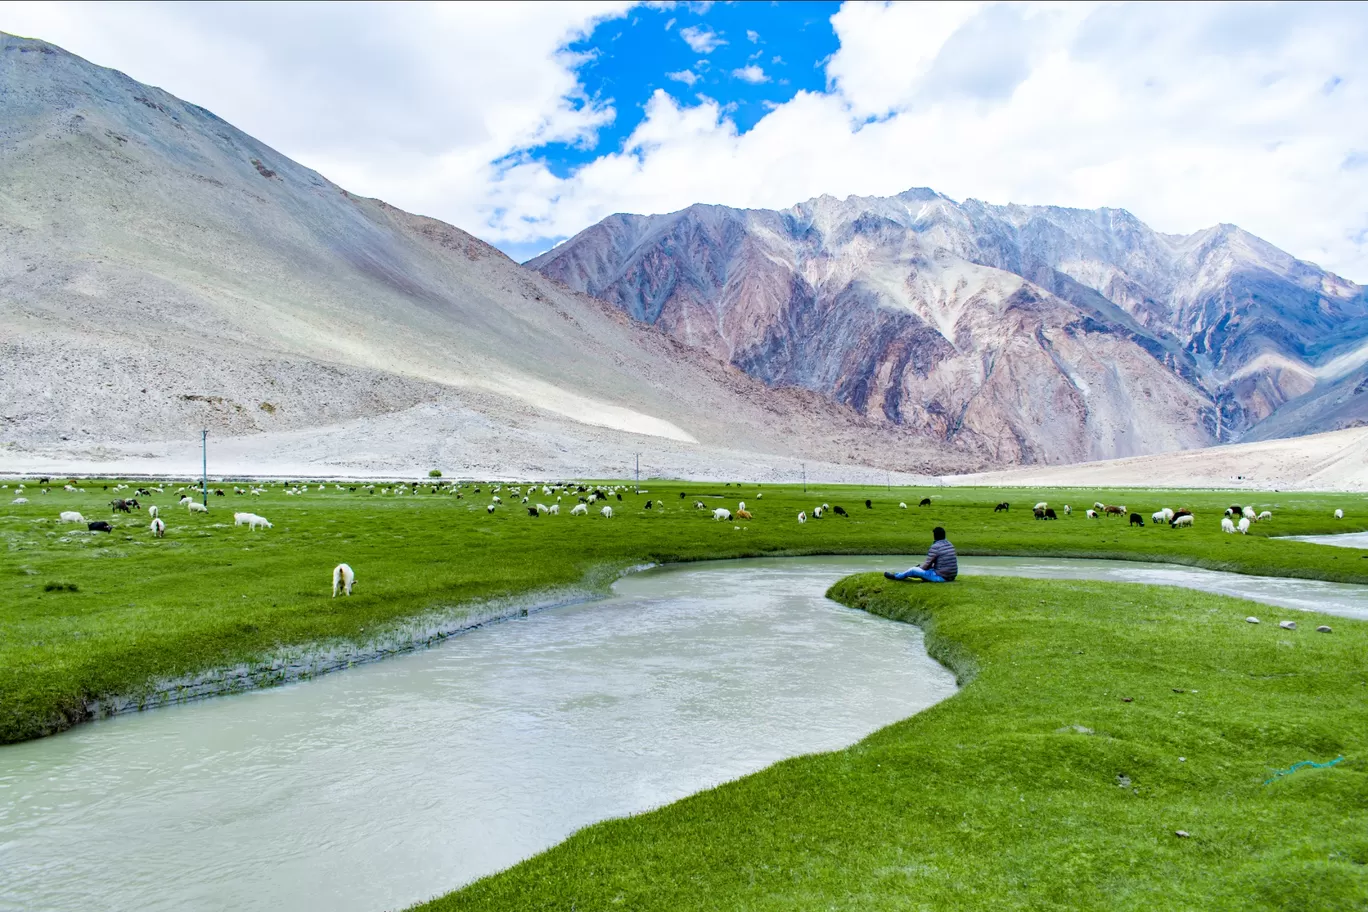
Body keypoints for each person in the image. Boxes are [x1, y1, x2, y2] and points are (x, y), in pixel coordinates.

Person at [885, 526, 958, 583]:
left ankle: (897, 576)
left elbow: (926, 565)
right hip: (951, 576)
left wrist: (919, 568)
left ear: (934, 536)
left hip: (942, 577)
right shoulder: (950, 544)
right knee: (922, 570)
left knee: (913, 570)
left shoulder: (935, 547)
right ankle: (900, 574)